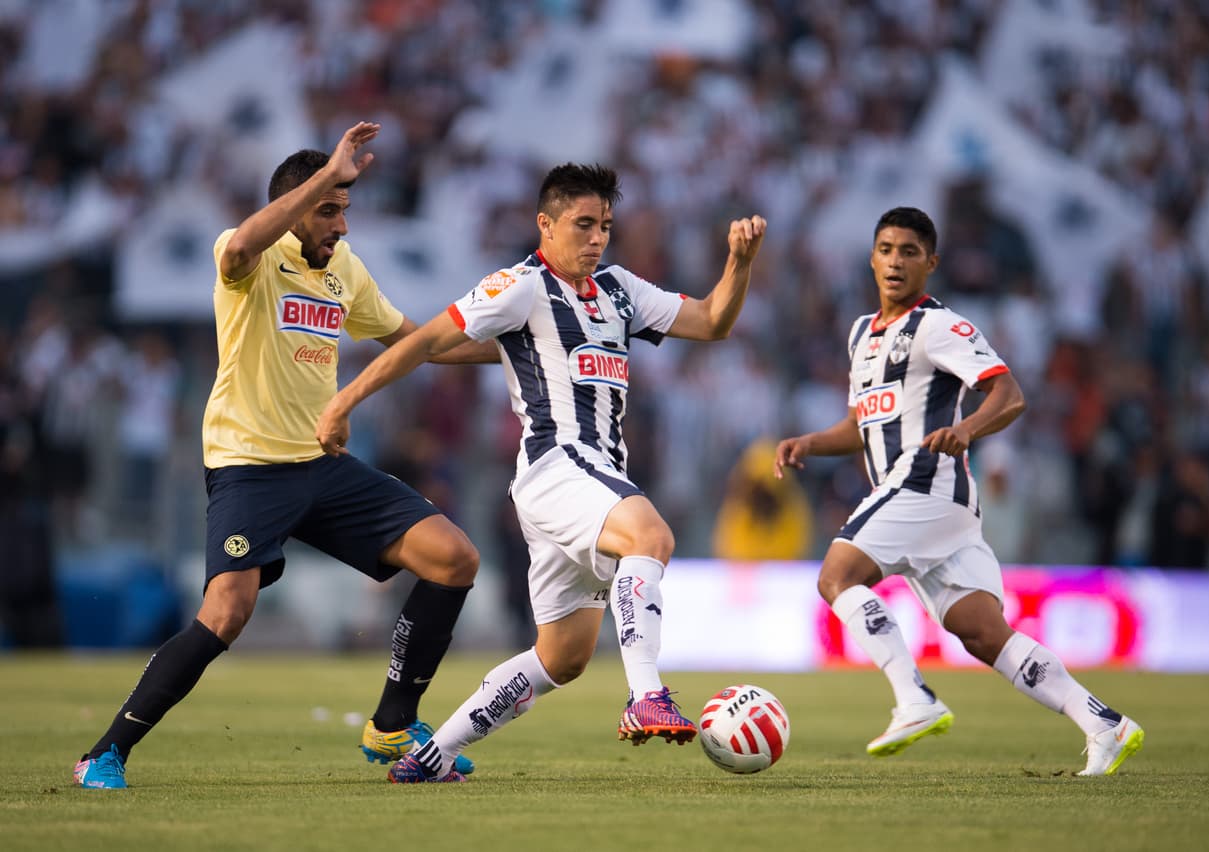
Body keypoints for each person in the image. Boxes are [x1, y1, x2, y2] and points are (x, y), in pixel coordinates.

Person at [315, 163, 767, 783]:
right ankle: (646, 697)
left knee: (563, 657)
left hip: (588, 478)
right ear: (545, 225)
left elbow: (714, 320)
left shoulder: (620, 289)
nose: (596, 238)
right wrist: (342, 402)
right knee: (652, 538)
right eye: (582, 224)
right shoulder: (519, 286)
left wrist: (738, 262)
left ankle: (431, 756)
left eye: (605, 226)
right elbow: (425, 344)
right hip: (558, 466)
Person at [73, 122, 492, 790]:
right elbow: (242, 243)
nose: (342, 227)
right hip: (247, 464)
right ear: (297, 206)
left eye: (345, 211)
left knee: (453, 558)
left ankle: (392, 723)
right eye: (329, 210)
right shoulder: (249, 258)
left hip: (319, 463)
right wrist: (325, 177)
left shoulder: (345, 273)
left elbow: (417, 342)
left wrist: (520, 346)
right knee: (226, 613)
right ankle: (105, 752)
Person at [773, 207, 1144, 777]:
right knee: (982, 632)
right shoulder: (860, 335)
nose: (896, 261)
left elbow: (1009, 394)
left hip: (923, 483)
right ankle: (1104, 723)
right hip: (934, 507)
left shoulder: (940, 326)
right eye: (887, 249)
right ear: (872, 257)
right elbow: (858, 428)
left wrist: (966, 429)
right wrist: (809, 442)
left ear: (931, 263)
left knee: (836, 576)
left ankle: (913, 698)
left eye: (910, 252)